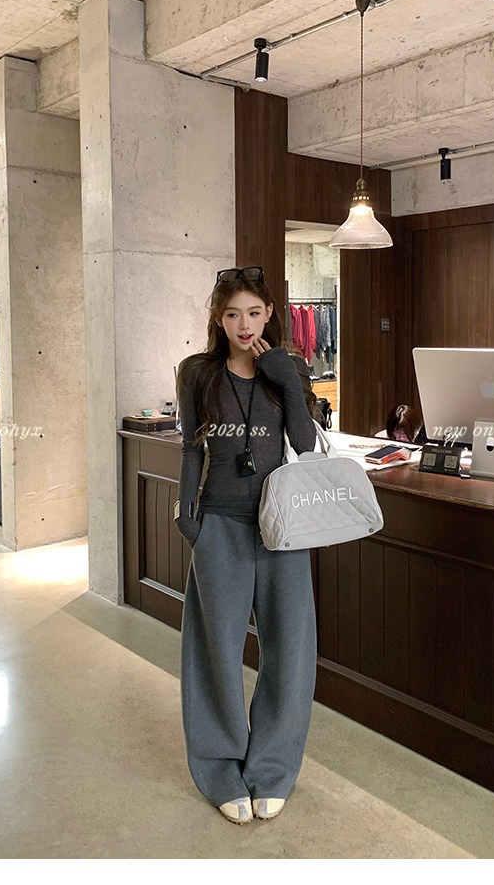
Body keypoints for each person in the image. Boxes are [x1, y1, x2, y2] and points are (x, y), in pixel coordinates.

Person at [175, 265, 318, 825]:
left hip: (282, 527)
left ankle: (272, 769)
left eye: (254, 313)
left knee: (289, 650)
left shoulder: (288, 368)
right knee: (215, 651)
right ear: (218, 317)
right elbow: (192, 448)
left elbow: (304, 444)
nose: (244, 324)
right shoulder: (197, 372)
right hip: (220, 523)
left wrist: (286, 378)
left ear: (269, 314)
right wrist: (188, 516)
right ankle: (219, 769)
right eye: (232, 313)